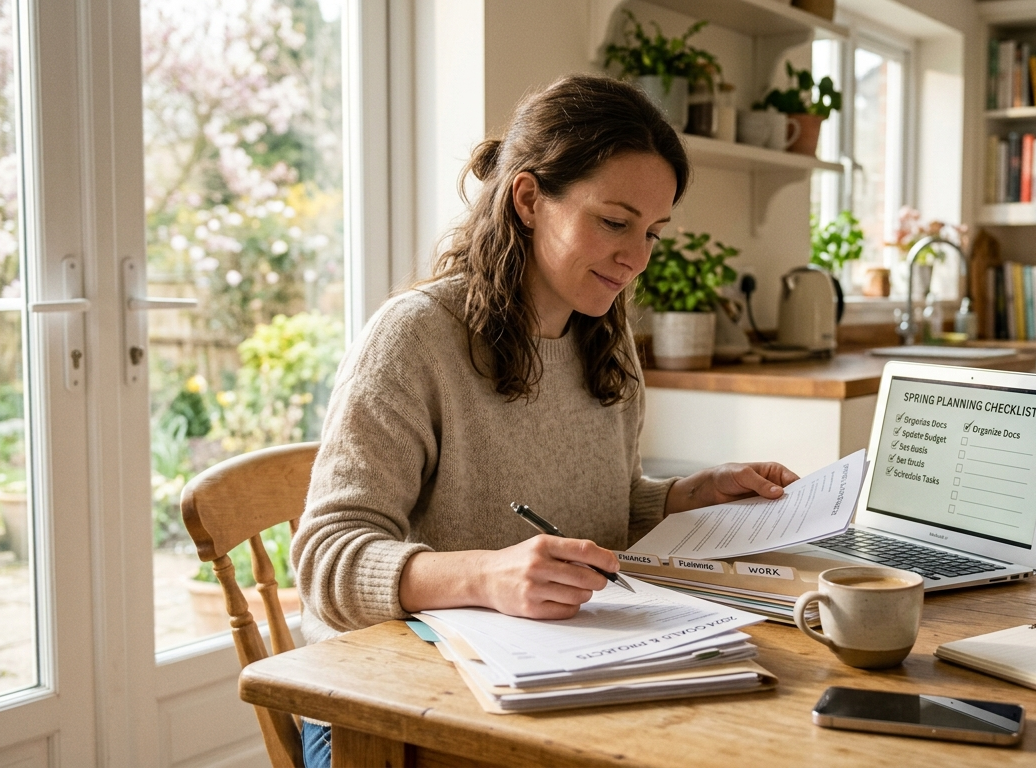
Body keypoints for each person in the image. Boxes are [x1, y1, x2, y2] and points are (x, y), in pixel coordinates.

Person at [292, 74, 797, 766]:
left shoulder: (604, 340)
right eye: (614, 222)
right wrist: (485, 578)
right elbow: (327, 562)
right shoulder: (415, 339)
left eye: (652, 232)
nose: (637, 257)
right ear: (529, 199)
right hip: (385, 708)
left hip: (543, 681)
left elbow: (597, 514)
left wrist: (687, 498)